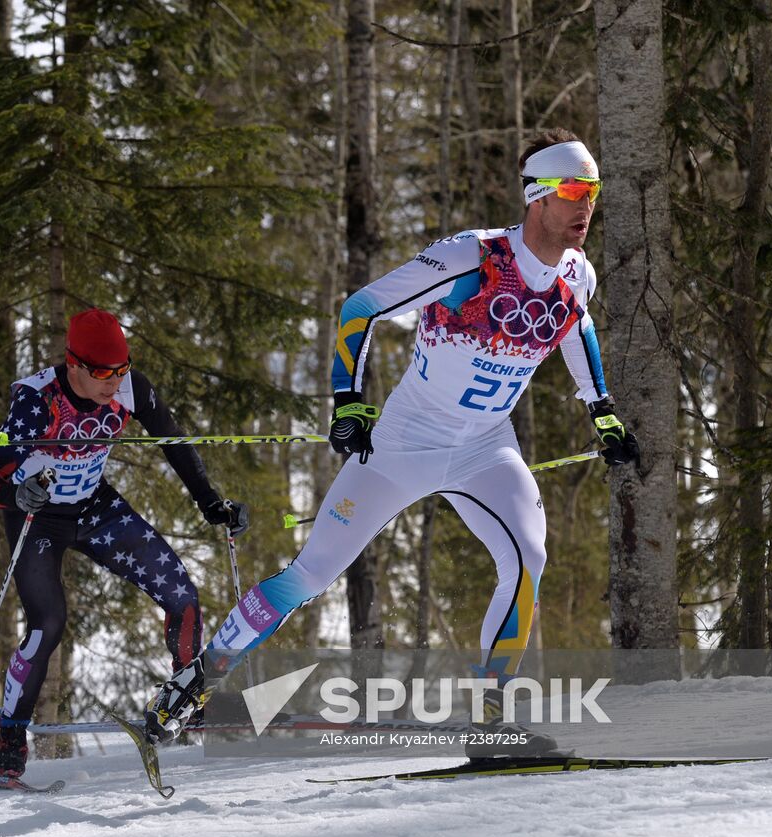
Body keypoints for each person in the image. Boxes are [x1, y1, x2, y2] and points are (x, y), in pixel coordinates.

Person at [145, 129, 640, 748]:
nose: (585, 205)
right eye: (572, 190)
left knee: (527, 559)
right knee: (309, 576)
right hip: (404, 444)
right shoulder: (474, 259)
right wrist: (348, 400)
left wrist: (604, 411)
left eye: (592, 191)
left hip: (485, 447)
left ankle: (491, 722)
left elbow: (577, 326)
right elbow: (362, 308)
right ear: (537, 196)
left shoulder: (578, 273)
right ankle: (195, 680)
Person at [0, 308, 249, 779]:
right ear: (72, 362)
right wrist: (17, 492)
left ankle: (188, 704)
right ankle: (10, 738)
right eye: (101, 372)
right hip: (38, 518)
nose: (112, 382)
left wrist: (210, 504)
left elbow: (175, 442)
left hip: (94, 507)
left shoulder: (129, 387)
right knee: (48, 624)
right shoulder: (36, 400)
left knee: (182, 596)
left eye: (120, 369)